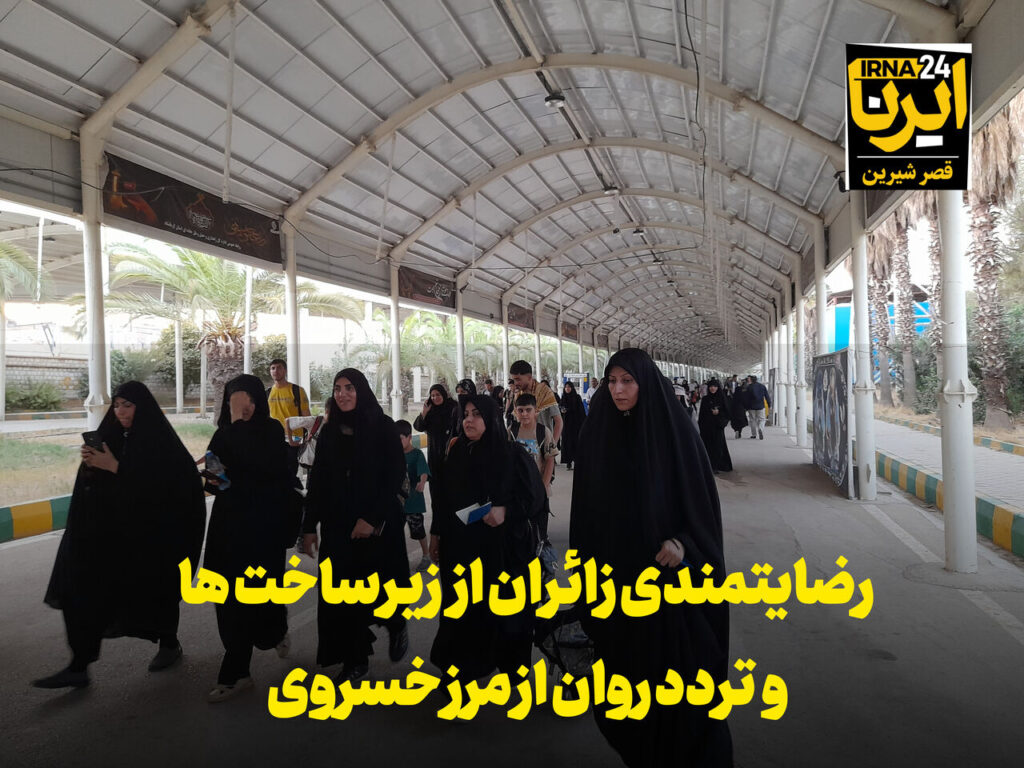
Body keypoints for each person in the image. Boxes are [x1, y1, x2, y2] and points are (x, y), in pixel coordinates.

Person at [570, 349, 732, 767]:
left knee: (678, 685)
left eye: (628, 381)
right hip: (616, 584)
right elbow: (584, 511)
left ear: (645, 383)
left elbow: (702, 508)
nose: (618, 389)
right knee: (625, 685)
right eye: (612, 381)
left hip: (667, 586)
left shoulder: (674, 433)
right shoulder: (597, 433)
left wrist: (684, 544)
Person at [34, 382, 206, 689]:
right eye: (116, 405)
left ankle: (169, 643)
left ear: (143, 407)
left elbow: (173, 490)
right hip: (109, 535)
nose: (121, 412)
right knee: (80, 589)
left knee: (156, 590)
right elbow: (92, 488)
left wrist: (115, 466)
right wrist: (91, 465)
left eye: (128, 405)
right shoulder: (110, 436)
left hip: (149, 539)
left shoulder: (161, 444)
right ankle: (79, 664)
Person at [303, 369, 409, 684]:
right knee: (342, 597)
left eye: (349, 388)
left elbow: (394, 476)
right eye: (337, 389)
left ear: (361, 390)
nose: (343, 394)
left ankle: (395, 623)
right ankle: (355, 661)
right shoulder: (330, 432)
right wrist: (308, 526)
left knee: (381, 592)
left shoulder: (382, 427)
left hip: (377, 527)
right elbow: (318, 481)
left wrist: (372, 519)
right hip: (339, 527)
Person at [429, 394, 533, 680]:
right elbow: (442, 499)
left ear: (491, 419)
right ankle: (462, 671)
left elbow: (533, 499)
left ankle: (501, 663)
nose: (469, 420)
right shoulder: (456, 453)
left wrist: (505, 510)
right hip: (460, 549)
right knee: (461, 609)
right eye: (466, 415)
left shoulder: (511, 454)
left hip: (497, 551)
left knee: (496, 611)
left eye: (477, 414)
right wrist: (436, 534)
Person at [203, 374, 293, 702]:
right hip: (228, 532)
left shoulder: (271, 432)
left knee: (262, 597)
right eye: (235, 400)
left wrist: (237, 430)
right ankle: (237, 672)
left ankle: (276, 629)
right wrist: (214, 477)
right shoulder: (222, 435)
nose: (243, 406)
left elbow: (267, 471)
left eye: (249, 400)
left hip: (262, 531)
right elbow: (216, 482)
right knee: (229, 602)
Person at [266, 358, 311, 552]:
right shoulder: (268, 392)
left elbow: (306, 416)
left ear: (285, 370)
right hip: (273, 443)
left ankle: (300, 528)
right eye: (272, 368)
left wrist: (305, 440)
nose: (275, 371)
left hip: (293, 443)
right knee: (282, 481)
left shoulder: (296, 391)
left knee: (290, 480)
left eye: (278, 368)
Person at [396, 419, 431, 572]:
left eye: (400, 439)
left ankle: (426, 556)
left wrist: (422, 482)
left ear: (409, 437)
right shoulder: (394, 454)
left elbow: (423, 471)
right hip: (397, 503)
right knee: (394, 531)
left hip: (413, 502)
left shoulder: (417, 454)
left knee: (418, 531)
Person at [413, 384, 459, 487]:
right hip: (434, 453)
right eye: (432, 395)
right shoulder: (430, 411)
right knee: (435, 484)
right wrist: (424, 412)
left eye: (438, 394)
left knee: (450, 483)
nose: (435, 398)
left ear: (443, 394)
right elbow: (418, 427)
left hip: (449, 451)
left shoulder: (453, 408)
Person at [698, 379, 733, 473]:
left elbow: (728, 412)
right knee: (707, 446)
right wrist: (700, 426)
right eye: (711, 386)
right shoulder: (705, 399)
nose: (712, 388)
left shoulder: (722, 398)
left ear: (718, 388)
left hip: (718, 426)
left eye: (715, 386)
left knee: (718, 446)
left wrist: (719, 412)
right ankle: (708, 466)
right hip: (707, 427)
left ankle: (716, 466)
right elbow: (702, 414)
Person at [558, 381, 586, 470]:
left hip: (575, 424)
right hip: (566, 425)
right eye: (566, 387)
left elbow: (581, 411)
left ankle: (577, 461)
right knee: (567, 443)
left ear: (572, 388)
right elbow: (559, 410)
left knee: (576, 442)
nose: (567, 389)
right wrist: (562, 410)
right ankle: (568, 462)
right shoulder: (563, 398)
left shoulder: (577, 397)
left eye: (569, 387)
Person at [743, 374, 771, 440]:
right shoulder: (762, 386)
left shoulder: (749, 387)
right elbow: (767, 396)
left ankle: (754, 434)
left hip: (751, 406)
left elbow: (746, 398)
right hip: (760, 406)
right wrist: (769, 404)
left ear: (751, 380)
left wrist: (745, 407)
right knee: (762, 419)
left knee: (752, 420)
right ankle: (760, 428)